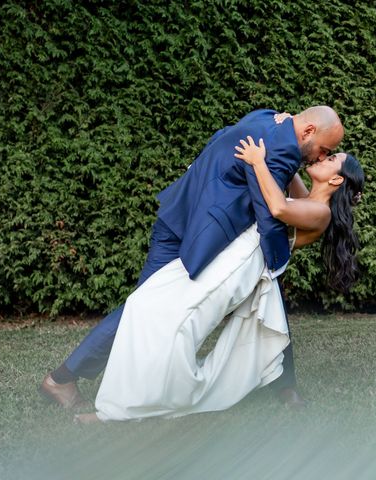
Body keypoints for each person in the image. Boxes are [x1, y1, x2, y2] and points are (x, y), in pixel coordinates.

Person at [39, 107, 345, 409]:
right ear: (306, 132)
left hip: (184, 212)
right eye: (324, 150)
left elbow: (222, 137)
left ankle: (285, 385)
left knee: (270, 302)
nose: (320, 157)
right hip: (199, 232)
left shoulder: (266, 116)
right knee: (142, 309)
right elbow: (271, 215)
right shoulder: (282, 151)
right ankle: (62, 378)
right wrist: (277, 260)